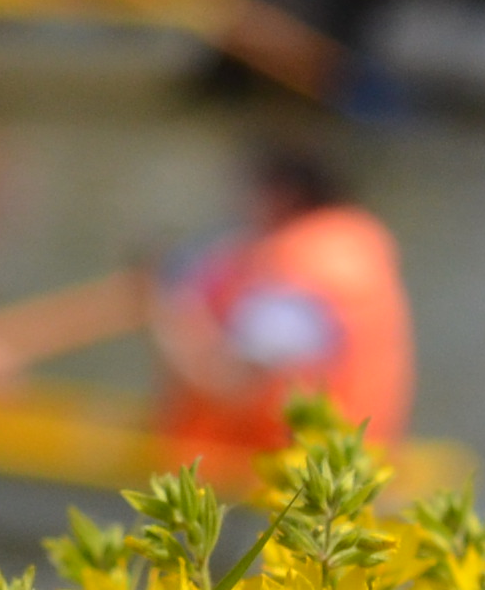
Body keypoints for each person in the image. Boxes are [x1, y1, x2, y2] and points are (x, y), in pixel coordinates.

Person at [145, 137, 414, 462]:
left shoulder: (296, 275)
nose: (240, 204)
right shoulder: (353, 244)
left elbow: (233, 386)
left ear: (283, 194)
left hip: (281, 464)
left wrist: (164, 317)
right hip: (360, 451)